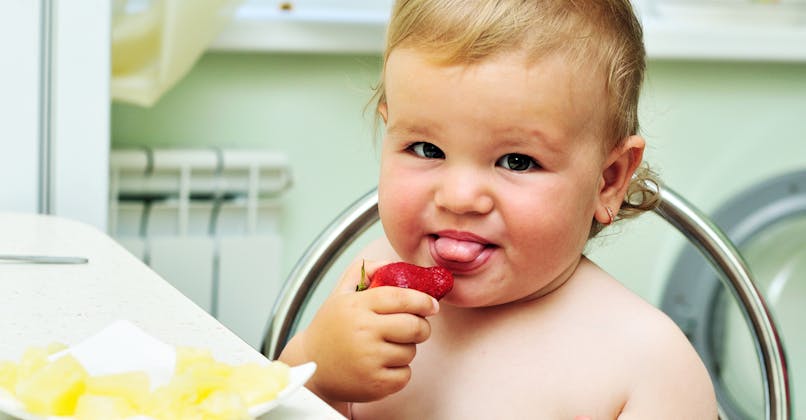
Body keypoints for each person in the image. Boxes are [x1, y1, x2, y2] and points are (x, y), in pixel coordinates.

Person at [279, 0, 718, 418]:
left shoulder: (649, 364)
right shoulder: (370, 283)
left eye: (517, 161)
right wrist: (318, 369)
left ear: (608, 180)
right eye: (427, 148)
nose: (459, 197)